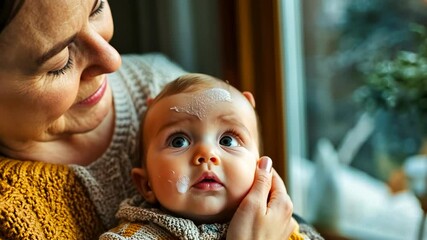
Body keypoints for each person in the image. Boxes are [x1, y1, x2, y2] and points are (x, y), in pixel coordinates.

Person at [0, 0, 302, 239]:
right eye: (59, 62)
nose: (112, 60)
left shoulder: (158, 83)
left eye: (96, 9)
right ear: (144, 184)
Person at [100, 73, 324, 240]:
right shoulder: (131, 237)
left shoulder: (282, 227)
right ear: (146, 185)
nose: (206, 154)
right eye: (179, 141)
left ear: (259, 168)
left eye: (227, 140)